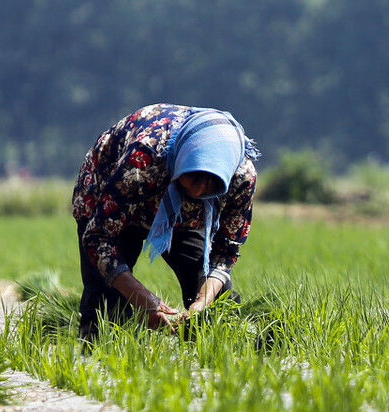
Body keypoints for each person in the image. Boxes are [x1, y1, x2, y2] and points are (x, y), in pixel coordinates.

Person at [72, 103, 260, 339]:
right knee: (106, 304)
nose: (200, 189)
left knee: (213, 301)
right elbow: (99, 239)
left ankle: (226, 346)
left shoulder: (241, 177)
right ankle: (95, 357)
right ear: (183, 163)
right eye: (194, 176)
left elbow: (226, 250)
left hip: (185, 212)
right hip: (114, 194)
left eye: (211, 182)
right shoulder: (143, 158)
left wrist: (202, 300)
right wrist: (143, 299)